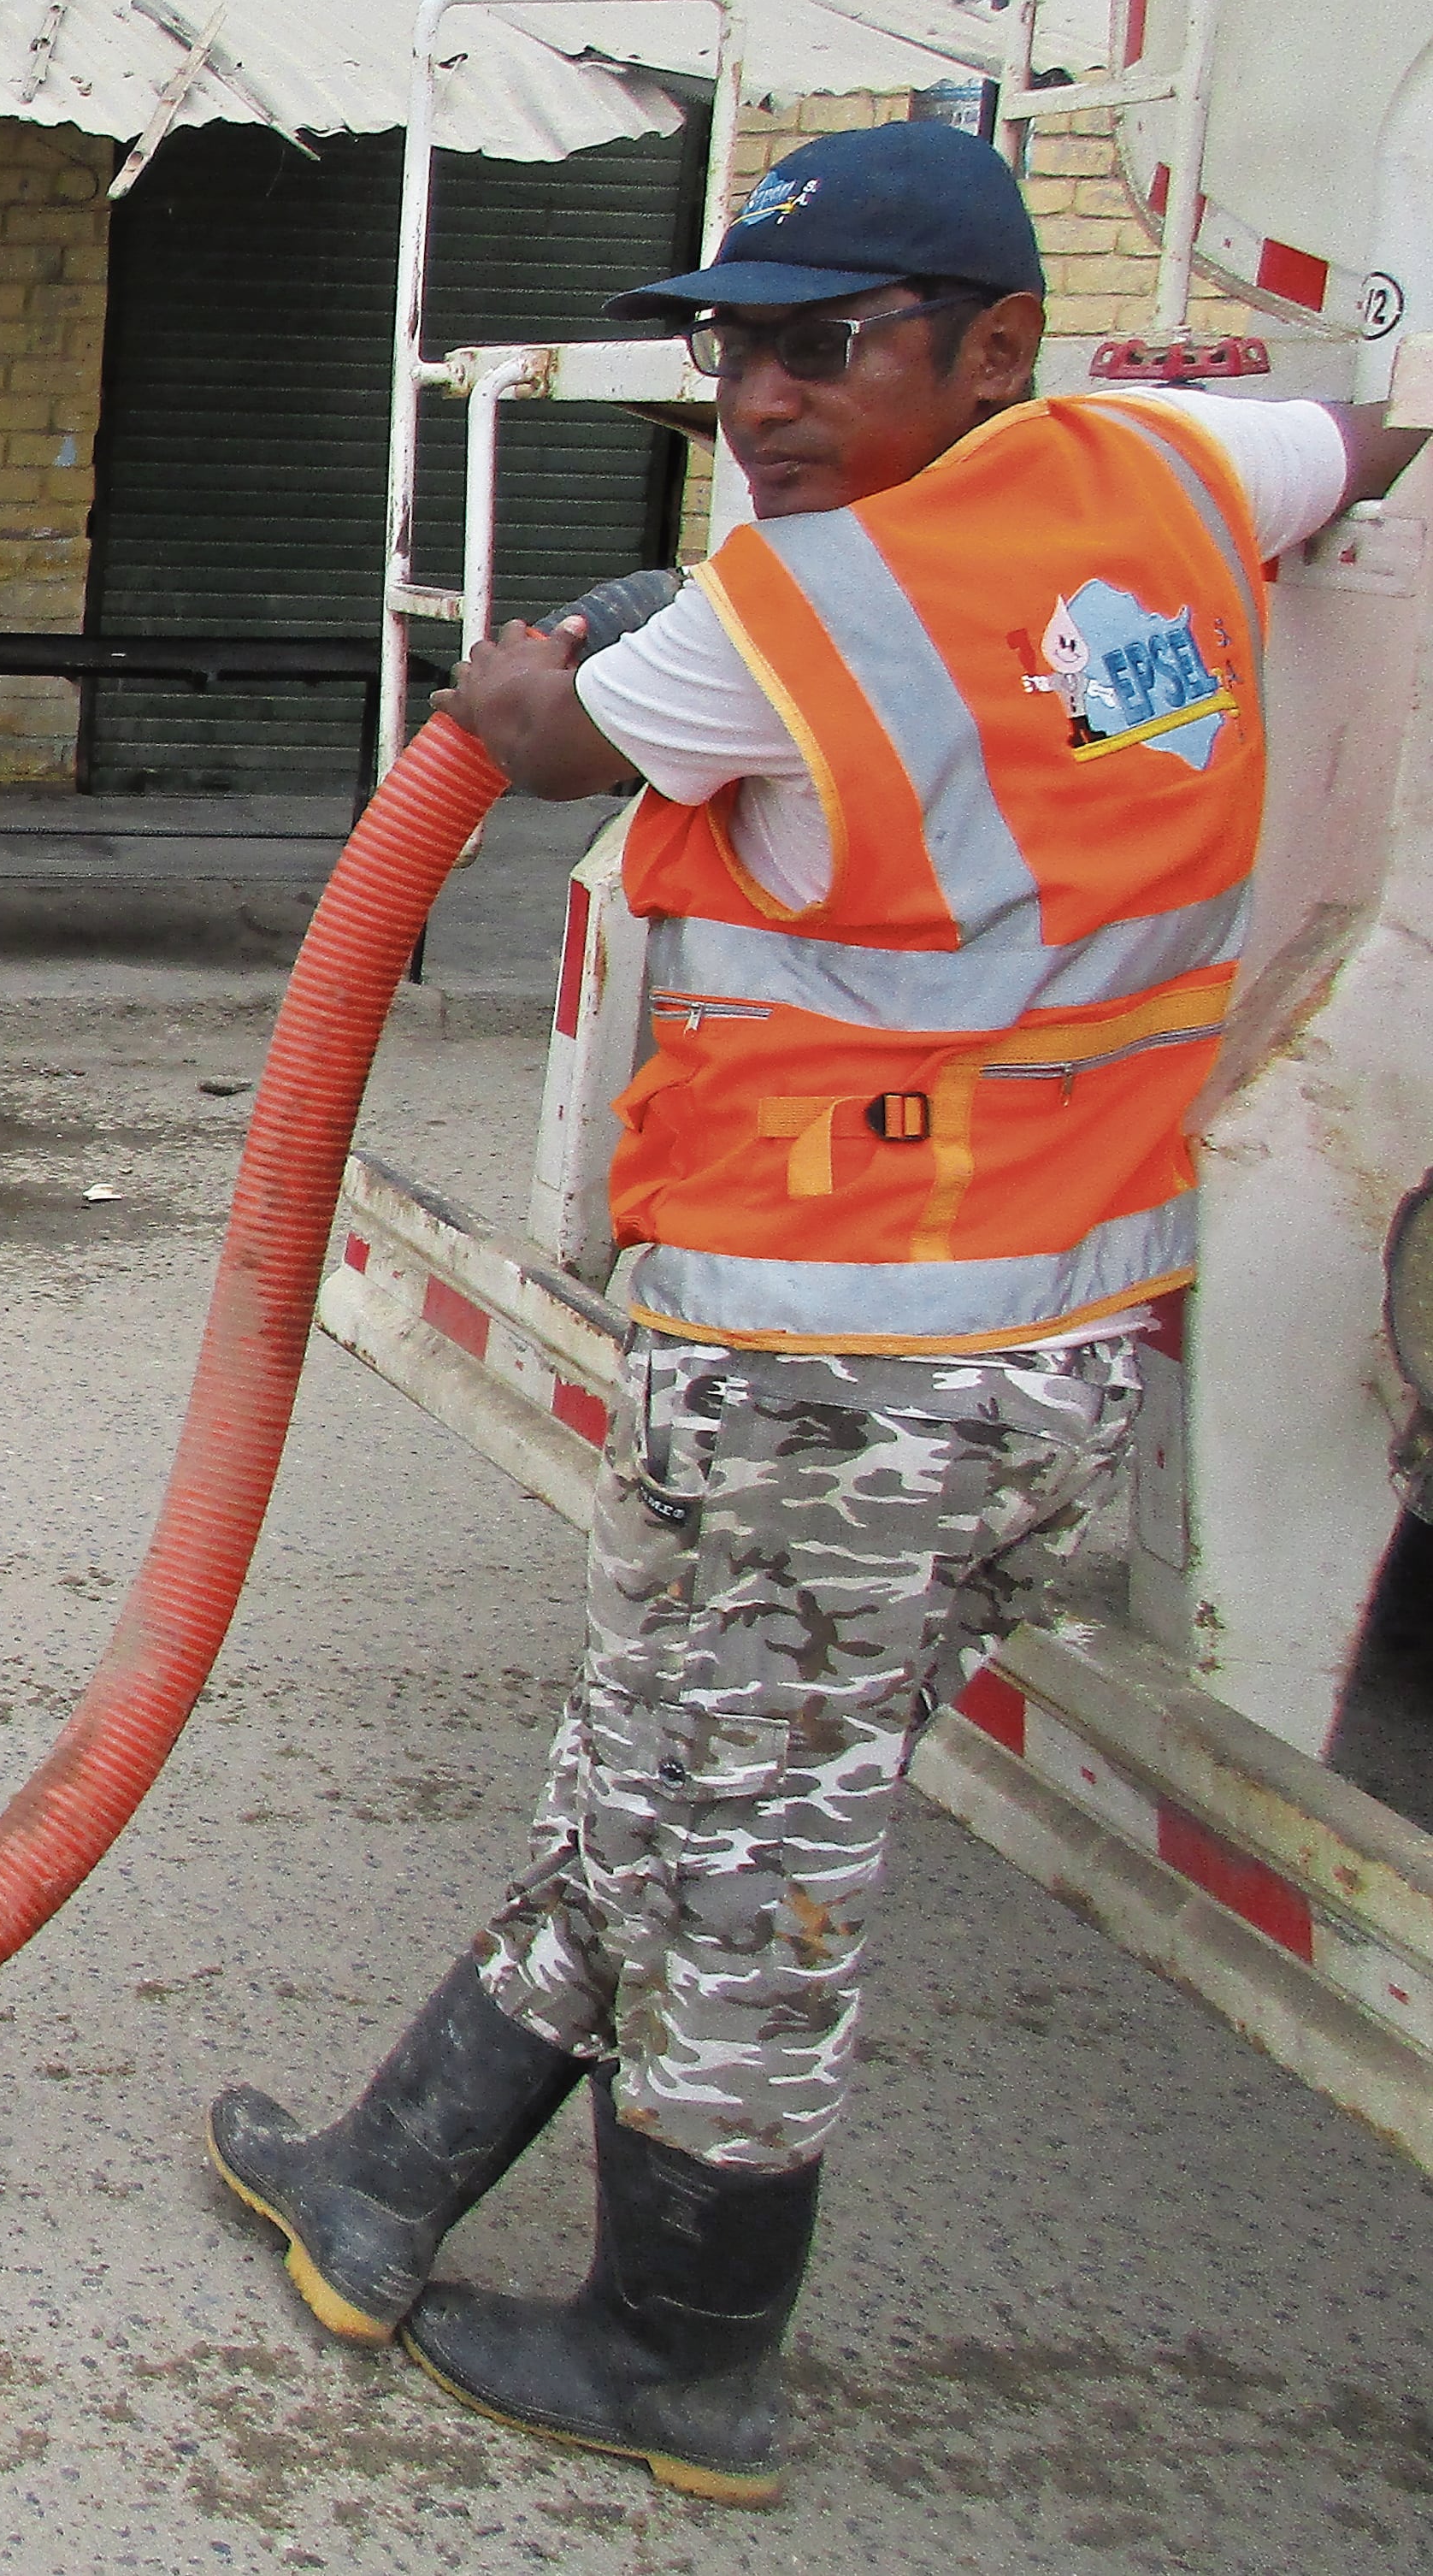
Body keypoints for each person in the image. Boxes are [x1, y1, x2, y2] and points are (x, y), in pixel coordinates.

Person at [203, 121, 1423, 2502]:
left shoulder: (789, 623)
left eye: (824, 342)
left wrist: (529, 667)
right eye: (729, 343)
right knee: (663, 1779)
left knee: (755, 1860)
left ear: (990, 346)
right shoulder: (1177, 468)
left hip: (834, 1357)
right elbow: (1359, 434)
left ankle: (686, 2353)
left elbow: (540, 738)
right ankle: (382, 2180)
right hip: (1037, 1350)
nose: (759, 397)